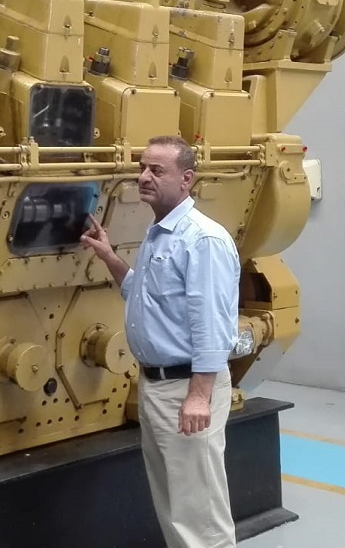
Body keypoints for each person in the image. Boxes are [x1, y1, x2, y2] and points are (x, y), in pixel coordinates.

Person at [80, 135, 240, 548]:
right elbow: (146, 297)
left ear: (187, 178)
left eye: (156, 170)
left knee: (199, 510)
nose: (144, 177)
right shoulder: (161, 233)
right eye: (142, 168)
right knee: (174, 503)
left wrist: (199, 396)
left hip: (186, 387)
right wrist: (110, 258)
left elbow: (211, 324)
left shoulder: (202, 239)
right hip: (158, 386)